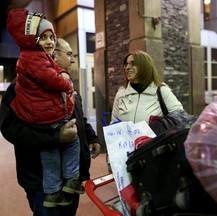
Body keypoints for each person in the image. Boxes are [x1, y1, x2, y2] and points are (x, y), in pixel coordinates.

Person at [0, 12, 101, 216]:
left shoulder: (71, 90)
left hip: (71, 179)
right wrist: (55, 137)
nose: (73, 60)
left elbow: (78, 120)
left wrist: (91, 137)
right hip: (41, 183)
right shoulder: (20, 88)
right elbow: (10, 129)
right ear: (55, 55)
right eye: (69, 54)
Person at [111, 50, 183, 124]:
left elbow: (180, 118)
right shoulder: (121, 94)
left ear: (145, 67)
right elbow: (114, 124)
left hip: (158, 136)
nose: (127, 67)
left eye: (133, 63)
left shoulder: (162, 91)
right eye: (126, 64)